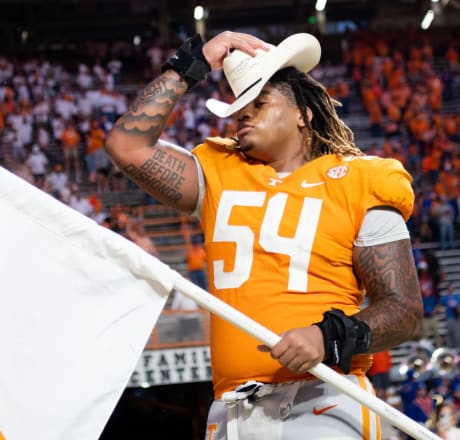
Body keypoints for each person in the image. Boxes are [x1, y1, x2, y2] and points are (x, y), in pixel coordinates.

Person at [105, 30, 423, 439]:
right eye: (239, 109)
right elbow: (127, 145)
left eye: (260, 103)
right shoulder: (219, 171)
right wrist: (190, 64)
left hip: (322, 399)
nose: (244, 115)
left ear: (303, 114)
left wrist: (328, 337)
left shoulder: (362, 180)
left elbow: (404, 310)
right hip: (232, 412)